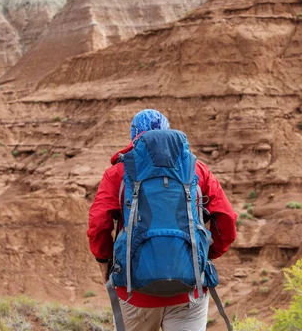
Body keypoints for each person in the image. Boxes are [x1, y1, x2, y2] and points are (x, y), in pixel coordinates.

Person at [88, 109, 238, 331]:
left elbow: (98, 224)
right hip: (189, 290)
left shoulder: (119, 172)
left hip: (134, 292)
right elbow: (227, 220)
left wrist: (104, 262)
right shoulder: (197, 169)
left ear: (134, 135)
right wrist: (204, 255)